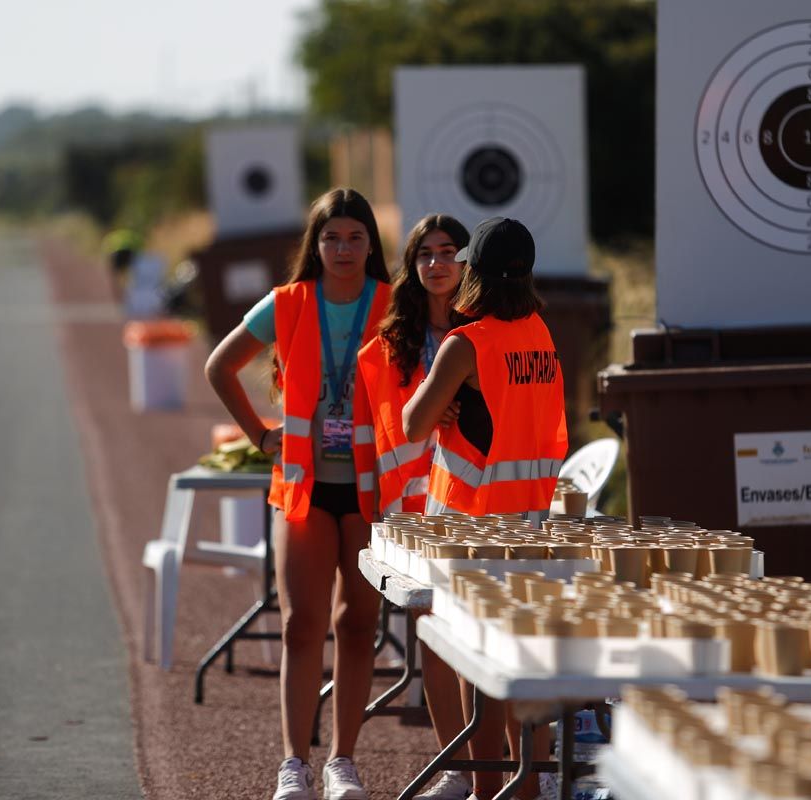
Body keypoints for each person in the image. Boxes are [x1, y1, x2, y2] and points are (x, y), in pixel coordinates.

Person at [205, 188, 391, 800]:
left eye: (355, 237)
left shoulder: (394, 305)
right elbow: (219, 365)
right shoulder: (287, 303)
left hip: (370, 492)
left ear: (371, 244)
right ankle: (294, 764)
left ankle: (343, 763)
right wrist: (259, 434)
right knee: (301, 625)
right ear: (314, 244)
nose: (342, 248)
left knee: (359, 624)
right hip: (305, 487)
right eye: (331, 237)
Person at [404, 217, 568, 800]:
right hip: (533, 520)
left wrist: (443, 397)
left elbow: (412, 423)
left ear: (473, 272)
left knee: (483, 669)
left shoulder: (466, 343)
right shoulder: (541, 334)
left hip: (475, 530)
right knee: (530, 662)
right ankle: (538, 785)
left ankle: (486, 790)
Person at [355, 214, 473, 799]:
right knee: (433, 635)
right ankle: (456, 767)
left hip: (477, 500)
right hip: (417, 504)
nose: (436, 263)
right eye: (424, 253)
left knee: (481, 635)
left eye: (448, 251)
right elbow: (390, 423)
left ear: (467, 261)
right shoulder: (393, 341)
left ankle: (492, 768)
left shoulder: (486, 328)